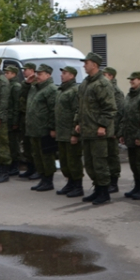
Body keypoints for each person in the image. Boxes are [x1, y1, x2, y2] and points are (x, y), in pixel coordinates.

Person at [75, 52, 118, 205]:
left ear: (94, 64)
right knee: (89, 163)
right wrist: (78, 122)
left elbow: (110, 108)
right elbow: (80, 106)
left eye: (86, 63)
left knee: (100, 163)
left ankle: (104, 192)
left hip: (98, 131)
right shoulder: (86, 83)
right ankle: (97, 189)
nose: (84, 65)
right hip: (87, 130)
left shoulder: (102, 83)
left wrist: (102, 125)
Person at [26, 64, 59, 192]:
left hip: (44, 129)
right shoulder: (35, 87)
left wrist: (52, 127)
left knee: (46, 156)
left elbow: (53, 110)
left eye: (40, 74)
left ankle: (48, 180)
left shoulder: (51, 89)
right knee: (37, 155)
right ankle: (42, 178)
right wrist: (27, 83)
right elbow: (24, 97)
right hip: (34, 128)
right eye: (37, 74)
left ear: (48, 75)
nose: (37, 77)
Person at [55, 66, 84, 197]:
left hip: (70, 132)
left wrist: (74, 133)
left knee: (73, 161)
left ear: (72, 76)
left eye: (65, 73)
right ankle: (70, 183)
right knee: (64, 161)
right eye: (62, 73)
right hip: (61, 132)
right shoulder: (62, 90)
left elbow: (77, 112)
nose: (62, 75)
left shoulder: (74, 91)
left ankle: (78, 185)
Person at [120, 72, 140, 200]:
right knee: (133, 163)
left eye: (134, 79)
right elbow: (124, 115)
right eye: (130, 79)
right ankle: (137, 187)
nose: (131, 81)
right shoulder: (129, 96)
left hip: (138, 136)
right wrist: (122, 133)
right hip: (129, 134)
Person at [103, 67, 126, 193]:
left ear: (111, 76)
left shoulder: (116, 91)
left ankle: (114, 182)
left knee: (112, 156)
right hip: (104, 128)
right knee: (105, 156)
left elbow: (119, 112)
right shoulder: (104, 88)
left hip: (112, 130)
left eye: (105, 75)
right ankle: (106, 181)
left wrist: (116, 131)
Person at [18, 63, 38, 178]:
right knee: (26, 144)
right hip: (24, 117)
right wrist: (26, 83)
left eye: (26, 70)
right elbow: (22, 95)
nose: (24, 72)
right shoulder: (25, 83)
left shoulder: (37, 83)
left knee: (33, 146)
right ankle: (30, 167)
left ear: (32, 70)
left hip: (33, 117)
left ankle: (36, 169)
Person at [5, 65, 23, 176]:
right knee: (8, 143)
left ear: (14, 74)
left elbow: (17, 105)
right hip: (8, 117)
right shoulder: (8, 85)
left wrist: (15, 121)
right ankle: (11, 164)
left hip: (12, 119)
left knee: (13, 144)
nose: (5, 74)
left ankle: (15, 166)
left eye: (8, 73)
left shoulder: (15, 86)